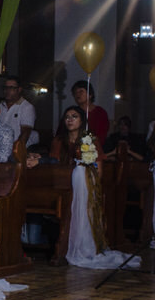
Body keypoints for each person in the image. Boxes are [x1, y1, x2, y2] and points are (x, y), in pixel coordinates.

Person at [52, 105, 134, 269]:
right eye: (67, 117)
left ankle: (82, 247)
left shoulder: (90, 140)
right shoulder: (59, 140)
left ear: (82, 120)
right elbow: (54, 164)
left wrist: (92, 185)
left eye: (74, 116)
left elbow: (98, 166)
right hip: (62, 184)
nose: (69, 120)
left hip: (84, 185)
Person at [0, 75, 38, 150]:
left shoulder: (26, 107)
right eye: (6, 87)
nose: (7, 90)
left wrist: (16, 150)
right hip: (1, 149)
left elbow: (25, 132)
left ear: (19, 90)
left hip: (16, 150)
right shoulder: (0, 105)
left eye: (11, 88)